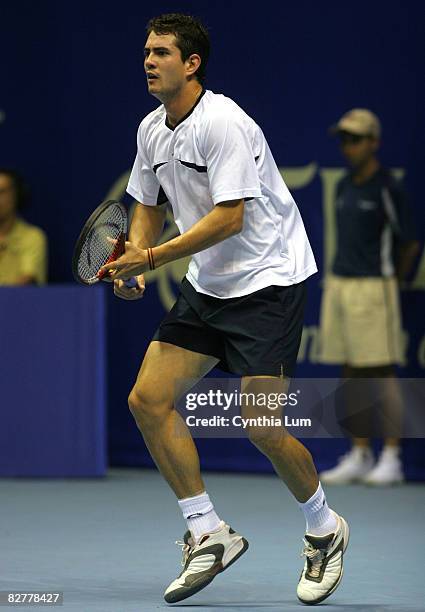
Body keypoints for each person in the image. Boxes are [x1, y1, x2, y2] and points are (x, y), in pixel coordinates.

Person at [101, 13, 349, 605]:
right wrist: (136, 255)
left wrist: (152, 258)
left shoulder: (225, 123)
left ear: (191, 65)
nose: (148, 60)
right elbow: (146, 202)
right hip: (208, 287)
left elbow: (230, 216)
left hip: (268, 282)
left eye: (161, 52)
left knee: (261, 425)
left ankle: (324, 527)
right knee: (147, 399)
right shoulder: (151, 130)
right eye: (145, 50)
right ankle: (207, 531)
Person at [318, 109, 419, 485]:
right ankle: (360, 453)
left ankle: (391, 457)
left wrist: (392, 281)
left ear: (374, 143)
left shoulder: (387, 187)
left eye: (356, 139)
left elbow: (409, 242)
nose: (348, 147)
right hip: (340, 286)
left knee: (382, 372)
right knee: (350, 371)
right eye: (344, 139)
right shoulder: (343, 185)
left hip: (375, 287)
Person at [0, 169, 47, 285]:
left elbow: (28, 280)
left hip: (18, 302)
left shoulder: (33, 237)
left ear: (17, 196)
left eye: (1, 192)